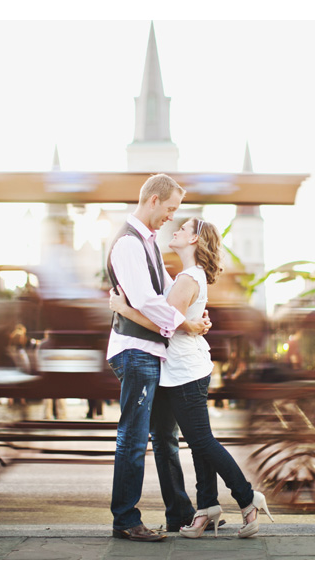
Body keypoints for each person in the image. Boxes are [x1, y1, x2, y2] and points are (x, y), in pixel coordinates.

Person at [110, 217, 273, 539]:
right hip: (178, 368)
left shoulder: (187, 278)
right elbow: (176, 315)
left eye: (184, 229)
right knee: (196, 442)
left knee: (201, 441)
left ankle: (247, 497)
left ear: (195, 240)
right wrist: (193, 320)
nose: (178, 230)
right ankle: (206, 506)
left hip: (185, 369)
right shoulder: (184, 276)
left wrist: (123, 309)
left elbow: (163, 323)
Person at [105, 174, 212, 542]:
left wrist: (193, 316)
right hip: (135, 351)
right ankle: (125, 520)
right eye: (170, 209)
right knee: (133, 437)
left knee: (165, 437)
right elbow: (148, 303)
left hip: (152, 351)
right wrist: (186, 324)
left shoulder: (147, 242)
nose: (171, 216)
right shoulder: (129, 245)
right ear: (153, 201)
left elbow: (168, 292)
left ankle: (179, 514)